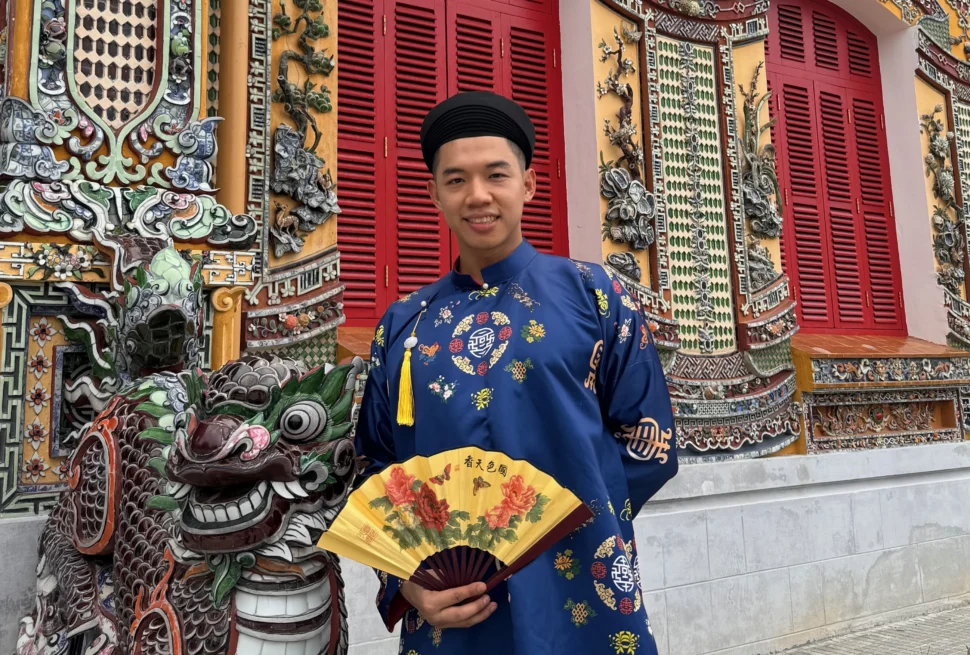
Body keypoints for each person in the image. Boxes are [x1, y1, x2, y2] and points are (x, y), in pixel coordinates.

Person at [353, 90, 678, 654]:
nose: (477, 196)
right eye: (455, 180)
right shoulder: (403, 326)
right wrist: (407, 582)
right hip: (451, 615)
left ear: (527, 184)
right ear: (434, 194)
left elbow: (650, 442)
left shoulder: (596, 294)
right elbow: (374, 464)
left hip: (581, 594)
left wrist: (564, 529)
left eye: (495, 175)